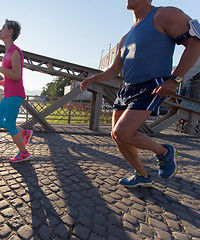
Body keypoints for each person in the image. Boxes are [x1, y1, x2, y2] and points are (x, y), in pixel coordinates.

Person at [80, 0, 200, 187]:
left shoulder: (164, 14)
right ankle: (142, 175)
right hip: (127, 88)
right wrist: (93, 79)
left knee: (123, 132)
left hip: (151, 85)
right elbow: (114, 70)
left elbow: (195, 43)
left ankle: (163, 151)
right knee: (117, 136)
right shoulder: (126, 37)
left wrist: (175, 79)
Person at [0, 19, 33, 163]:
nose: (0, 30)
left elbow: (17, 75)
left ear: (10, 32)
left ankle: (23, 153)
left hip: (15, 94)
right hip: (8, 93)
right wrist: (1, 82)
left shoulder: (15, 51)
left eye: (3, 28)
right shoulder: (7, 53)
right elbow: (11, 75)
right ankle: (24, 133)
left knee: (10, 123)